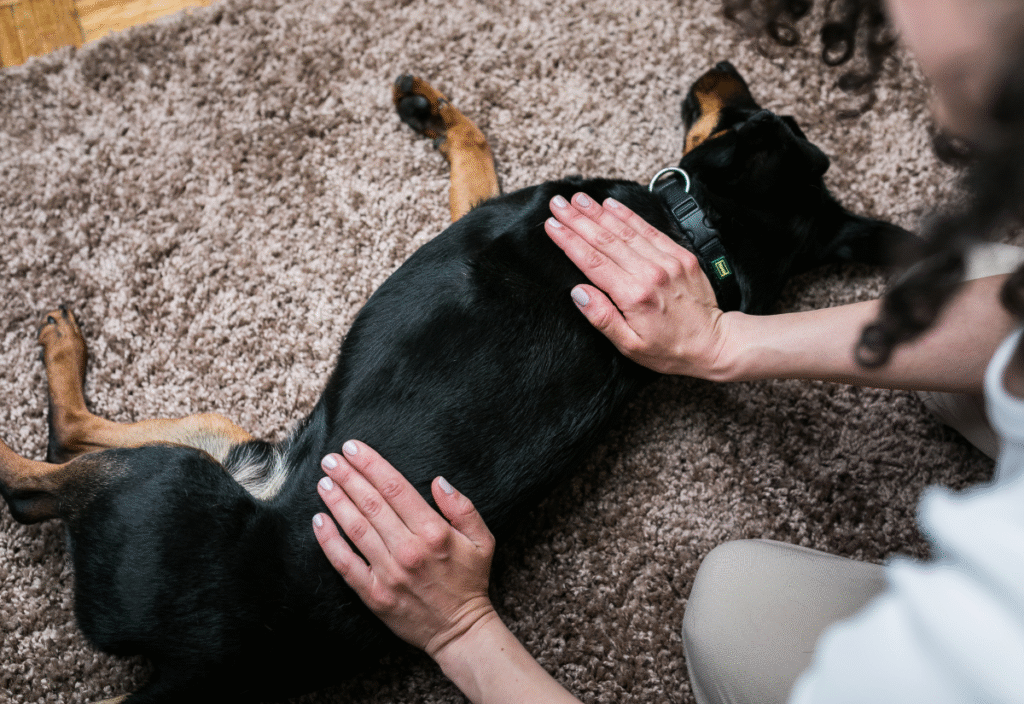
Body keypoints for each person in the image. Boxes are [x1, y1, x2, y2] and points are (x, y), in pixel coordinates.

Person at [311, 0, 1024, 702]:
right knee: (969, 279)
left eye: (957, 78)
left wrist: (458, 632)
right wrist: (722, 342)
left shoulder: (963, 637)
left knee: (734, 604)